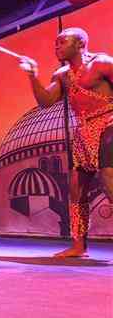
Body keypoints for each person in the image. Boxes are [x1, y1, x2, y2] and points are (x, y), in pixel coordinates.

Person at [20, 28, 113, 257]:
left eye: (62, 42)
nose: (57, 47)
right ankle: (79, 246)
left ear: (80, 44)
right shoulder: (62, 75)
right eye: (56, 43)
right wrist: (32, 76)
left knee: (109, 178)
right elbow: (45, 101)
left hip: (109, 123)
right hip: (83, 132)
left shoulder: (102, 63)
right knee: (76, 189)